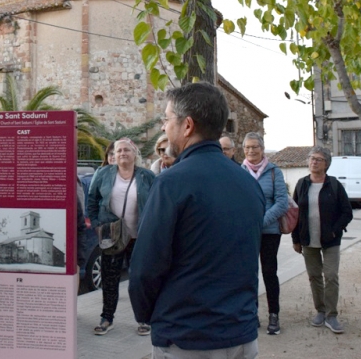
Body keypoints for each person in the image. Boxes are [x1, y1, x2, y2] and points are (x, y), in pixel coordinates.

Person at [129, 82, 264, 359]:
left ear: (187, 126)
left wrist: (150, 317)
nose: (164, 128)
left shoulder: (171, 183)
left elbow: (145, 269)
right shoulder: (248, 183)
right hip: (241, 335)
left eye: (167, 120)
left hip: (188, 339)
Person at [87, 138, 155, 337]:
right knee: (109, 278)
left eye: (127, 150)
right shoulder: (103, 174)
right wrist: (98, 225)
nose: (123, 153)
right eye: (119, 151)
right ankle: (107, 318)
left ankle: (143, 319)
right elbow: (92, 200)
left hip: (138, 237)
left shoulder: (147, 176)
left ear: (135, 154)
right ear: (114, 155)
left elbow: (156, 203)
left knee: (139, 279)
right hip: (112, 236)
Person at [292, 146, 353, 335]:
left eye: (318, 159)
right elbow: (295, 213)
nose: (314, 161)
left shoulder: (334, 185)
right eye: (311, 158)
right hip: (308, 239)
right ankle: (320, 310)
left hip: (330, 240)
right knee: (314, 277)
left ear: (326, 164)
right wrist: (296, 239)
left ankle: (331, 315)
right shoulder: (302, 184)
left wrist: (334, 231)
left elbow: (347, 212)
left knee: (331, 276)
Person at [241, 131, 288, 335]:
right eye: (247, 147)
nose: (251, 150)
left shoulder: (274, 172)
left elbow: (282, 202)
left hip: (269, 232)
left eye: (255, 147)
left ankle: (274, 315)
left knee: (269, 273)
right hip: (246, 233)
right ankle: (251, 314)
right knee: (248, 274)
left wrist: (260, 222)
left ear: (262, 148)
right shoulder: (239, 171)